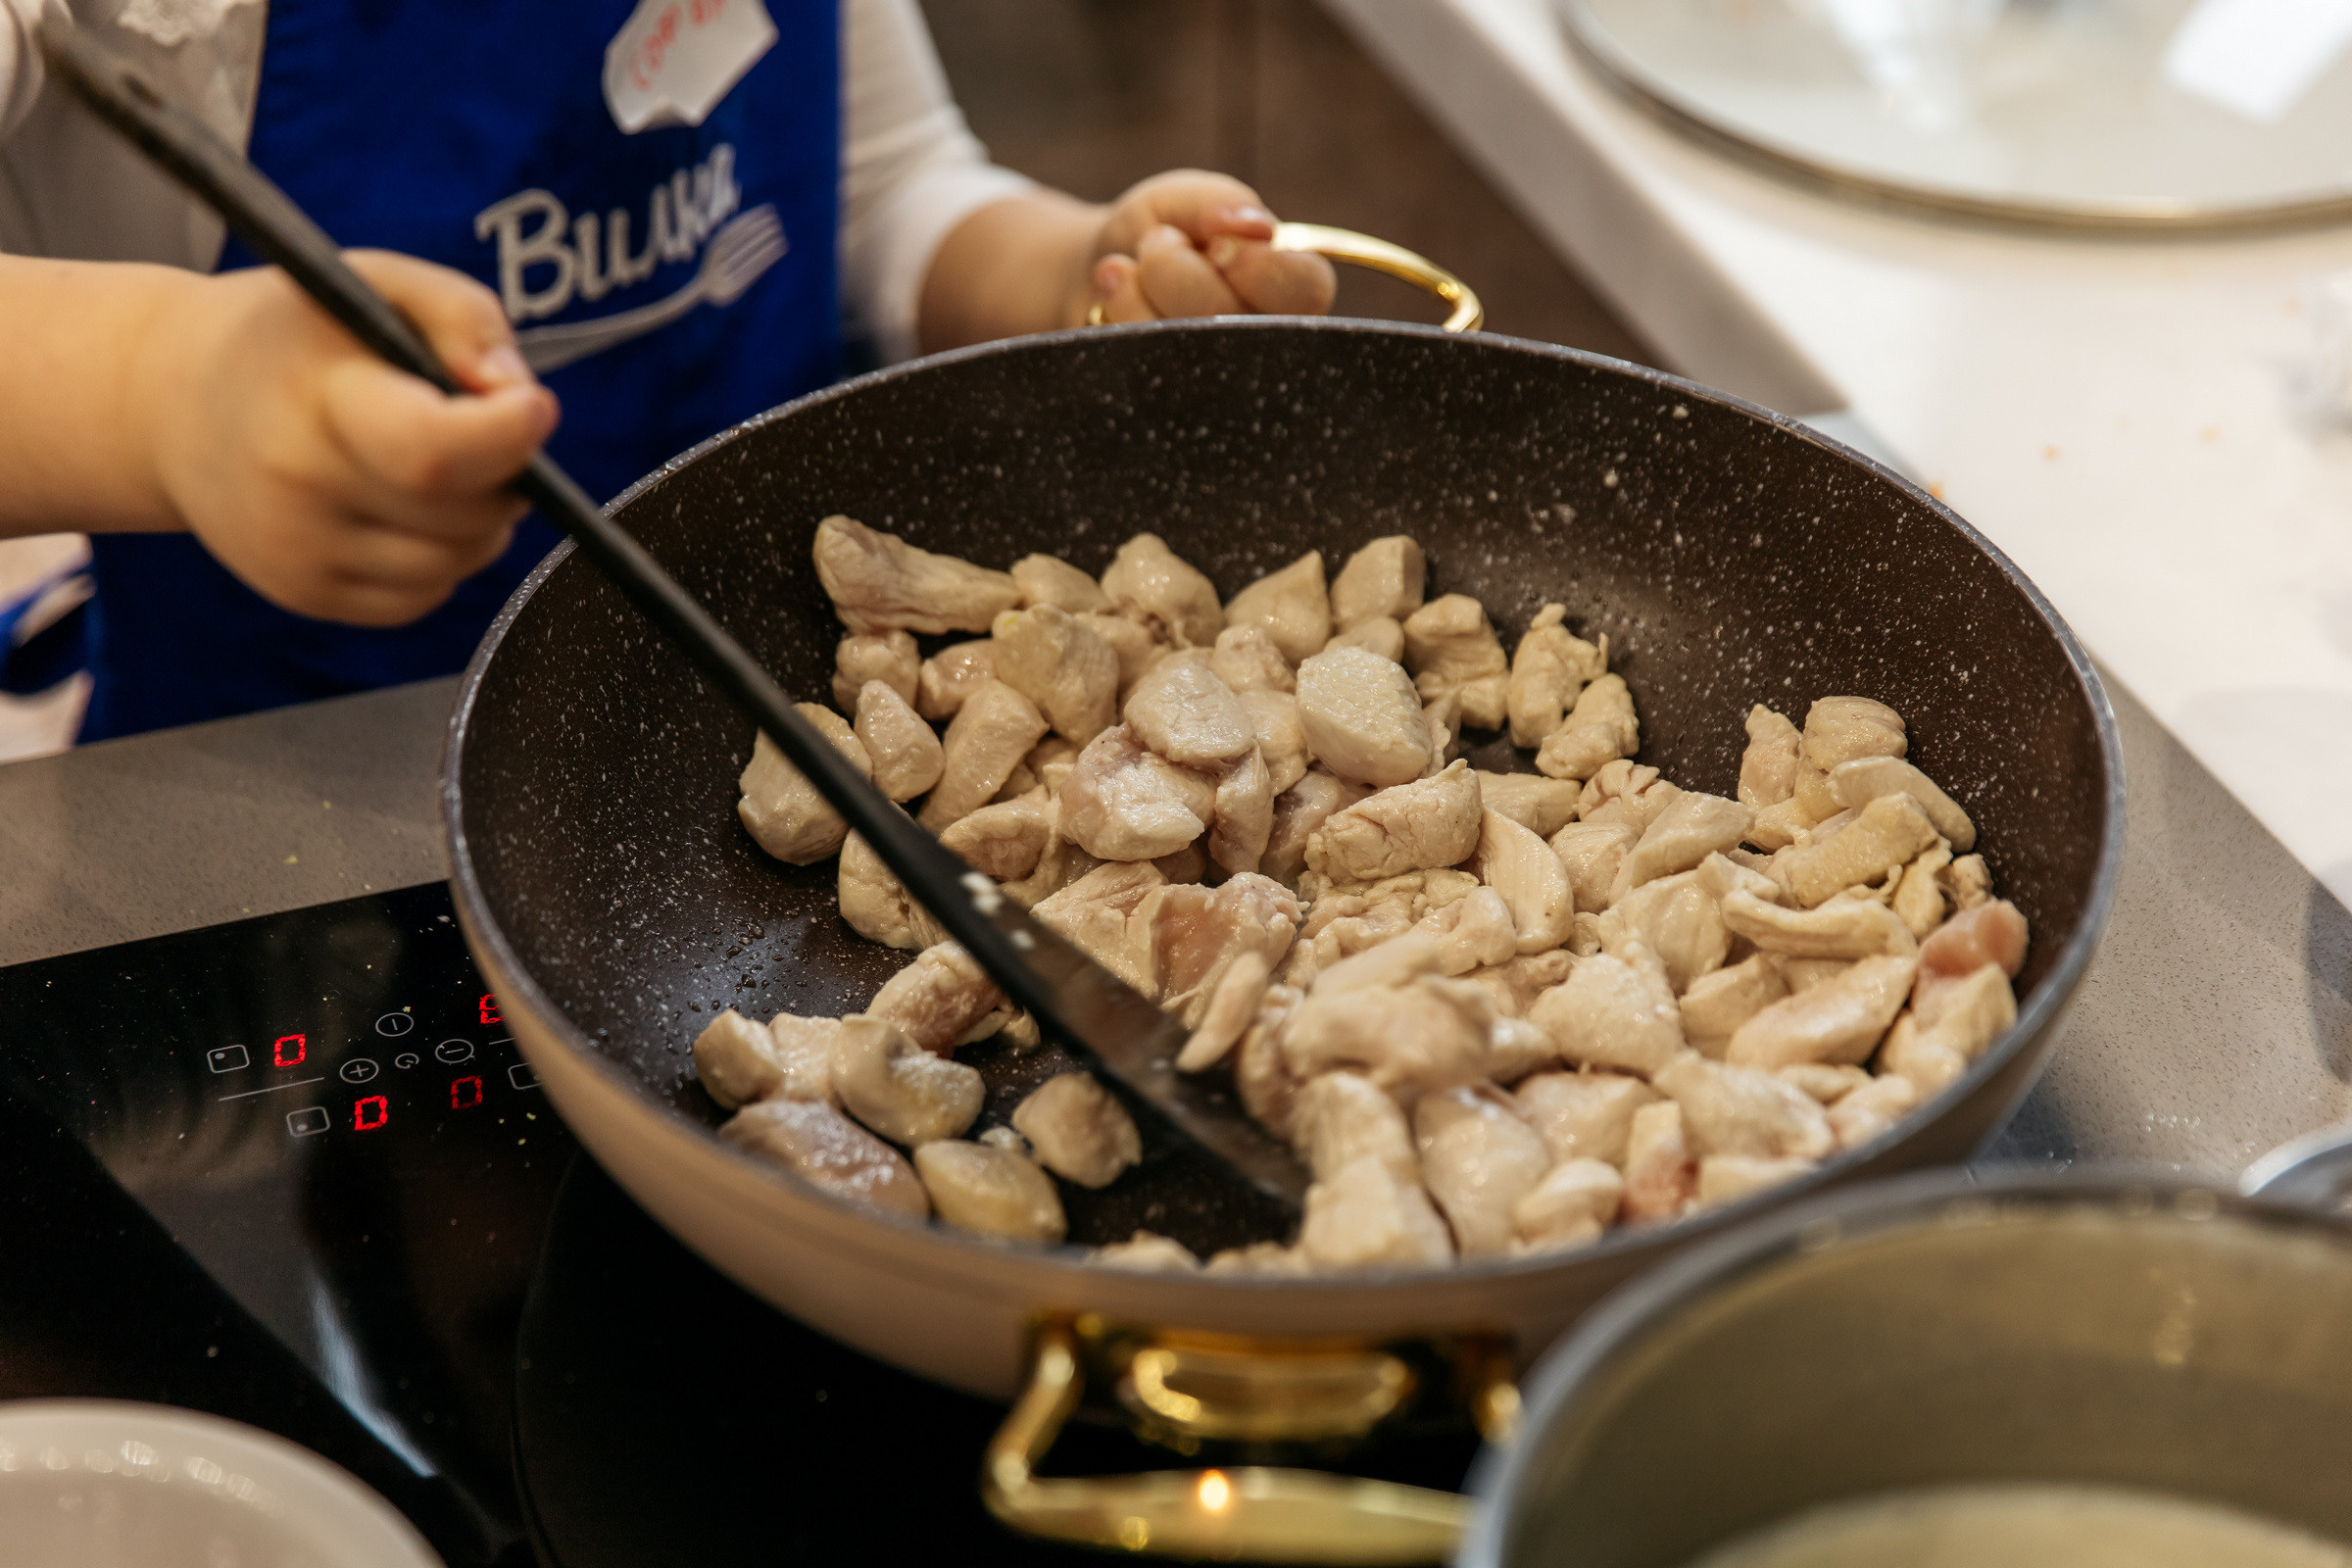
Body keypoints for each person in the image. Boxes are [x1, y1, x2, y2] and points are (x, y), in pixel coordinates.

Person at [0, 0, 1336, 740]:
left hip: (770, 728)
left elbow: (883, 189)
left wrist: (1075, 280)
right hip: (303, 781)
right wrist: (159, 388)